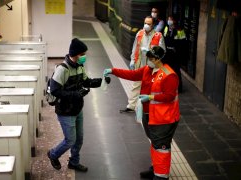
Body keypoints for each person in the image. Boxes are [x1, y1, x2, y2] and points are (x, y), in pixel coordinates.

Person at [104, 46, 180, 180]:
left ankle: (161, 176)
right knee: (155, 144)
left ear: (158, 59)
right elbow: (132, 75)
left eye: (150, 58)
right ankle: (155, 168)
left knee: (161, 147)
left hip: (163, 118)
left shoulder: (169, 75)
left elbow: (170, 96)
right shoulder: (147, 70)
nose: (148, 61)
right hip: (150, 115)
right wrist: (113, 71)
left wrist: (151, 97)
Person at [47, 38, 108, 172]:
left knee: (79, 139)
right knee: (70, 140)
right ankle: (53, 154)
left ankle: (74, 162)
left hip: (77, 109)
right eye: (82, 54)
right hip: (65, 111)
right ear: (75, 54)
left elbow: (86, 82)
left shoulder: (80, 66)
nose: (84, 57)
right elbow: (55, 90)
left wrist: (102, 81)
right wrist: (75, 94)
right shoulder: (62, 69)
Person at [120, 16, 165, 113]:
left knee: (151, 87)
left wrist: (150, 52)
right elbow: (135, 48)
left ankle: (150, 108)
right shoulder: (139, 34)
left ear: (153, 25)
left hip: (152, 66)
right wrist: (132, 60)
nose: (146, 25)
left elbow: (162, 51)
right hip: (140, 64)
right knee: (136, 85)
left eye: (149, 24)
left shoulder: (158, 36)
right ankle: (131, 106)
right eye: (145, 23)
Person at [163, 16, 186, 93]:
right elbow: (164, 39)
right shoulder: (166, 28)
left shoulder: (180, 30)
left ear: (174, 21)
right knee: (166, 70)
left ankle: (178, 88)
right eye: (168, 19)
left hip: (176, 54)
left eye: (171, 19)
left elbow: (183, 44)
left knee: (176, 71)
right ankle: (167, 86)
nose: (169, 21)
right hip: (167, 53)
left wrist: (178, 52)